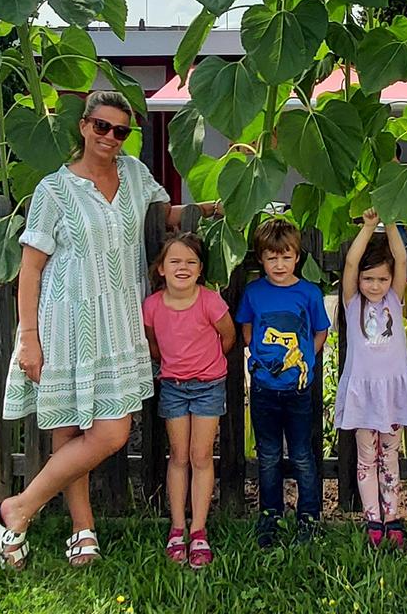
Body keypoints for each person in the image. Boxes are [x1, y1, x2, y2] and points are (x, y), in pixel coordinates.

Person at [0, 91, 180, 570]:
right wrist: (28, 337)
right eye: (102, 126)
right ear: (83, 126)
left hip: (117, 318)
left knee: (111, 431)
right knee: (70, 426)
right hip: (66, 321)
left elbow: (166, 216)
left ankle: (17, 509)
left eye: (121, 131)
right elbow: (31, 269)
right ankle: (82, 529)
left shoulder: (136, 175)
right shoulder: (54, 190)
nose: (111, 138)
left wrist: (225, 203)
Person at [143, 232, 236, 568]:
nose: (183, 267)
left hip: (208, 386)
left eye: (191, 262)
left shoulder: (210, 301)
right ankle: (177, 527)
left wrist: (207, 365)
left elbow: (228, 336)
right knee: (178, 456)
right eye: (175, 261)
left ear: (200, 270)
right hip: (173, 386)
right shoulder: (152, 306)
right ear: (162, 269)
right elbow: (153, 344)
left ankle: (198, 530)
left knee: (201, 456)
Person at [236, 217, 330, 548]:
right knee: (270, 455)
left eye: (286, 256)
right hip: (264, 389)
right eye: (272, 257)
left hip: (299, 390)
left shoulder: (309, 293)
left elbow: (320, 331)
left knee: (303, 455)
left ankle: (309, 514)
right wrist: (260, 359)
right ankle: (270, 515)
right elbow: (247, 330)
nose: (279, 264)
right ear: (261, 258)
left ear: (297, 257)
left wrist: (306, 355)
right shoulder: (254, 292)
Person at [334, 209, 407, 549]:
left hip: (392, 393)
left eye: (381, 280)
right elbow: (352, 263)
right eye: (369, 279)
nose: (375, 285)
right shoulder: (352, 301)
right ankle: (372, 518)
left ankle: (393, 515)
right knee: (366, 458)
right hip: (363, 394)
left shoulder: (394, 300)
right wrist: (369, 227)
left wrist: (391, 221)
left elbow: (400, 259)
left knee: (390, 456)